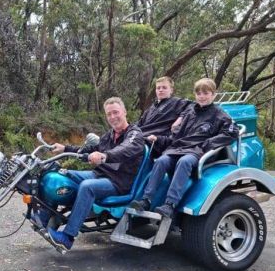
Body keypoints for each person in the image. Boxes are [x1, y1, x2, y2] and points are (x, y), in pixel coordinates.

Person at [43, 97, 145, 251]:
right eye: (109, 114)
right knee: (62, 175)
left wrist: (105, 156)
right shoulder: (108, 136)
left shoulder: (134, 134)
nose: (112, 117)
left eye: (115, 112)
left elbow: (124, 149)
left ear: (124, 112)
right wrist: (65, 148)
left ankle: (67, 237)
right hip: (99, 175)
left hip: (119, 182)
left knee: (87, 187)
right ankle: (50, 218)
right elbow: (88, 150)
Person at [129, 78, 239, 219]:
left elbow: (232, 132)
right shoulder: (190, 114)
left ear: (213, 94)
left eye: (205, 93)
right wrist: (159, 139)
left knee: (184, 162)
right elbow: (175, 137)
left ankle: (170, 204)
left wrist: (207, 144)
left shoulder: (220, 115)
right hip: (178, 149)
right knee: (161, 161)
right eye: (199, 93)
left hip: (196, 152)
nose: (202, 96)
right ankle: (146, 200)